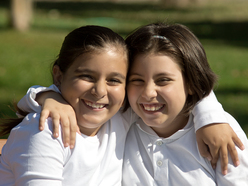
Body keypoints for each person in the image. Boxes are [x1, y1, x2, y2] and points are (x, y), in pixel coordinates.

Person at [0, 24, 243, 185]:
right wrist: (48, 97)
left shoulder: (122, 118)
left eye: (115, 80)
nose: (100, 91)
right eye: (137, 80)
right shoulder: (49, 129)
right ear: (58, 76)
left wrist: (210, 114)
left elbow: (186, 84)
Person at [122, 23, 248, 185]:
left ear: (190, 83)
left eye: (163, 80)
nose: (148, 92)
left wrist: (210, 116)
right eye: (137, 80)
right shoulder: (121, 125)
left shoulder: (220, 132)